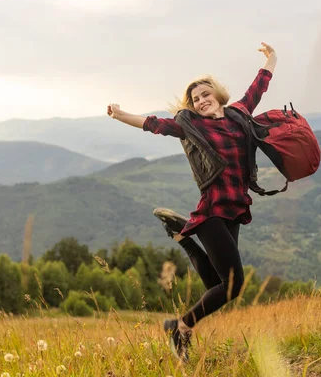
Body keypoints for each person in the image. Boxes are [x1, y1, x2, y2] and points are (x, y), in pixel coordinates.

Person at [106, 42, 277, 361]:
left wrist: (272, 58)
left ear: (218, 94)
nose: (200, 101)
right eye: (195, 99)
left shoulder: (239, 114)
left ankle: (184, 236)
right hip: (212, 210)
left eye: (205, 95)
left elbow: (259, 88)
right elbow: (154, 125)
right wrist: (120, 115)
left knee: (217, 283)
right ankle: (179, 327)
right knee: (232, 286)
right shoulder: (190, 125)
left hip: (235, 209)